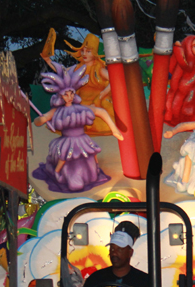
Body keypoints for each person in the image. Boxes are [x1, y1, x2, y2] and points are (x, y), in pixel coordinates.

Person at [30, 64, 124, 193]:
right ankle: (58, 172)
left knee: (92, 153)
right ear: (60, 96)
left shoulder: (81, 108)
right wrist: (39, 120)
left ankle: (95, 170)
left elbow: (101, 112)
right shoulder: (57, 111)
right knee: (65, 155)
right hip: (67, 141)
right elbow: (42, 119)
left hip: (82, 139)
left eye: (71, 94)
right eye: (66, 95)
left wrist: (114, 130)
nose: (69, 97)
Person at [77, 221, 151, 287]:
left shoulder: (144, 281)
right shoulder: (95, 279)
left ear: (130, 252)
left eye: (119, 249)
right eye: (112, 249)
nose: (114, 253)